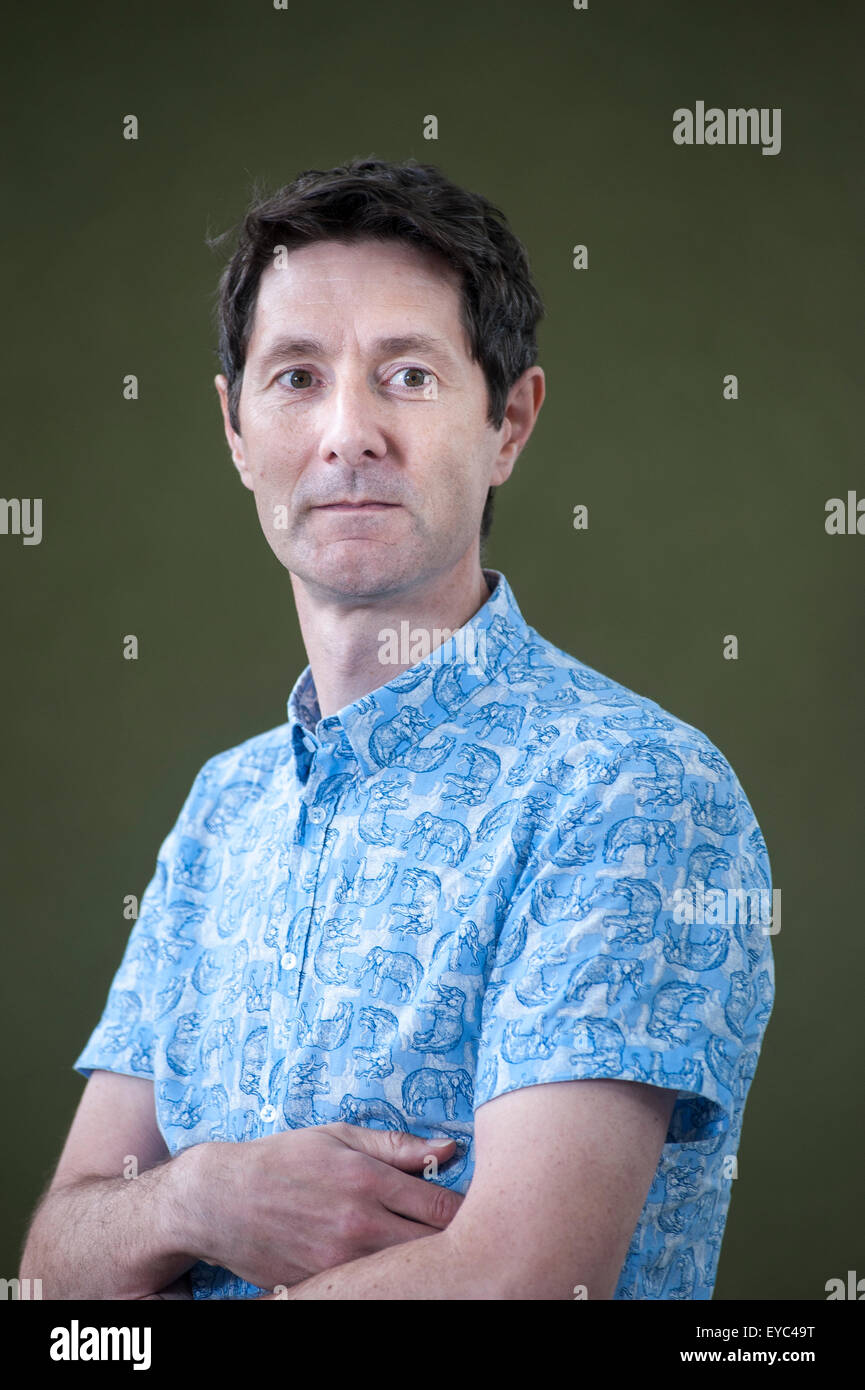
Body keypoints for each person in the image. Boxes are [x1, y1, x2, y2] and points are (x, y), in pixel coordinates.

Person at [20, 157, 775, 1301]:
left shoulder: (629, 788)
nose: (347, 433)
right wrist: (199, 1196)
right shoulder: (225, 807)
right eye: (295, 378)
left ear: (508, 421)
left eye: (408, 374)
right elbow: (52, 1271)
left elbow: (518, 1283)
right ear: (234, 430)